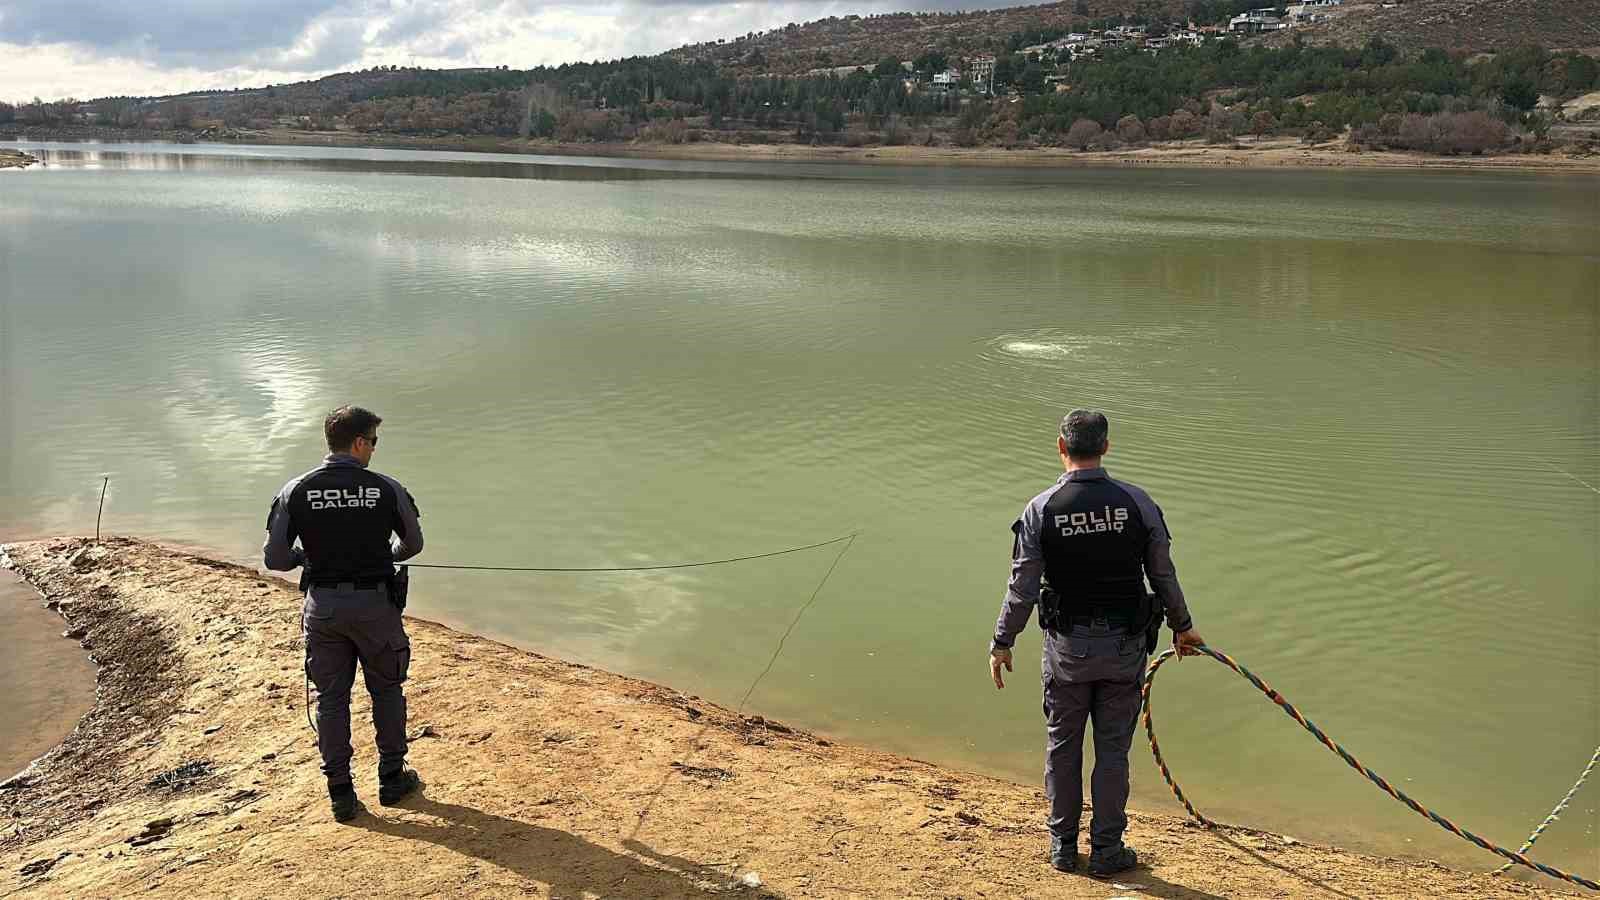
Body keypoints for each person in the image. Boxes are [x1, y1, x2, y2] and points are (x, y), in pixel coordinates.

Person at [988, 409, 1204, 878]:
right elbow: (1162, 573)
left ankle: (1063, 847)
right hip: (1125, 650)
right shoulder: (1138, 503)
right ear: (1106, 446)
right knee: (1113, 752)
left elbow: (1021, 587)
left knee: (1062, 746)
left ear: (1060, 447)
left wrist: (1002, 641)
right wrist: (1182, 626)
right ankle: (1107, 850)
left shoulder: (1041, 509)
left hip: (1067, 651)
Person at [264, 405, 425, 822]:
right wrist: (384, 554)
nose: (374, 449)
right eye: (373, 442)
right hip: (376, 608)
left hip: (324, 609)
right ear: (358, 443)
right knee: (387, 690)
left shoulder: (295, 490)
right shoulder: (385, 488)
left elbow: (276, 559)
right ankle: (392, 778)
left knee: (330, 698)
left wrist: (308, 557)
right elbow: (412, 544)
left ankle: (340, 792)